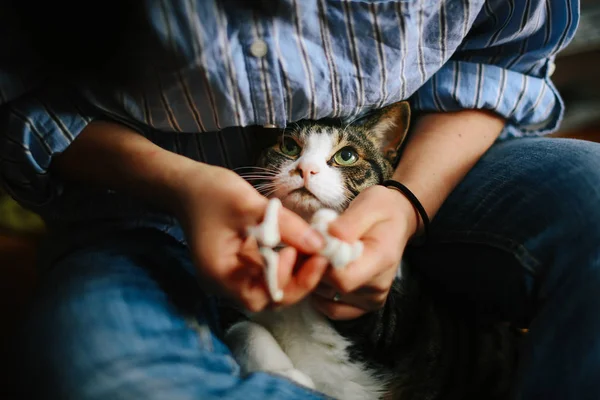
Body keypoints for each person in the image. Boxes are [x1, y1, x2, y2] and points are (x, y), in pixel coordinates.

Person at [0, 0, 595, 399]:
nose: (312, 168)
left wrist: (404, 199)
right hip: (138, 205)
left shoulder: (378, 164)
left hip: (424, 167)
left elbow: (502, 58)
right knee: (106, 371)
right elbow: (21, 99)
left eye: (333, 157)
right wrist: (182, 183)